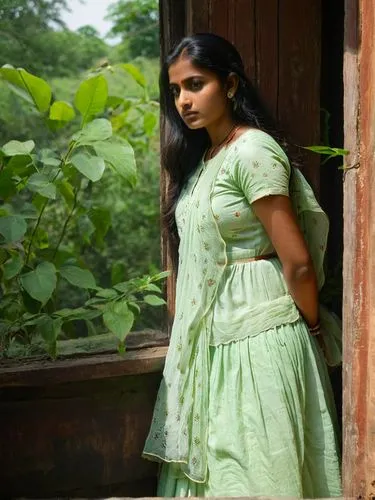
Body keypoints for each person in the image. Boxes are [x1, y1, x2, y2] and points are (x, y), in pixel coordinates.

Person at [143, 33, 342, 498]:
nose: (184, 100)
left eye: (196, 84)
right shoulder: (203, 161)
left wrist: (311, 326)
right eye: (175, 90)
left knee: (259, 470)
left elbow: (297, 264)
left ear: (230, 85)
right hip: (213, 340)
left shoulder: (253, 151)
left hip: (262, 334)